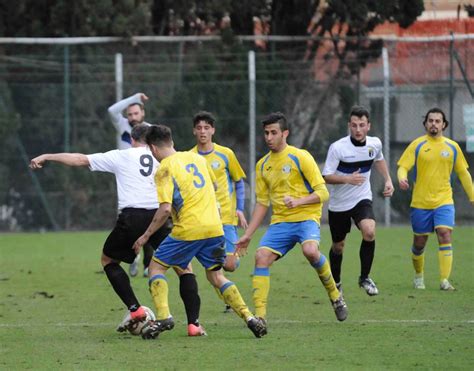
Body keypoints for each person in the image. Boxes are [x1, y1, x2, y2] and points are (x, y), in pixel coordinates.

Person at [29, 124, 205, 336]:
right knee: (184, 267)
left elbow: (80, 159)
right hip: (161, 217)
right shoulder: (164, 156)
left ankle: (136, 309)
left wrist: (48, 156)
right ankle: (193, 324)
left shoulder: (122, 155)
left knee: (108, 261)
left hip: (133, 218)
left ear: (132, 139)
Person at [133, 124, 267, 339]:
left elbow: (165, 208)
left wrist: (146, 235)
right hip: (215, 226)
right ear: (172, 142)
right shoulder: (197, 159)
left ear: (153, 149)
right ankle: (250, 317)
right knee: (216, 276)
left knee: (155, 268)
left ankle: (164, 316)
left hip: (188, 228)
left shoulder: (164, 169)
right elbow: (213, 188)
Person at [235, 112, 348, 325]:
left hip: (306, 218)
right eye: (266, 133)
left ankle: (335, 295)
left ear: (285, 133)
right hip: (281, 223)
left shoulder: (301, 156)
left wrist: (299, 202)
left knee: (311, 251)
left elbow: (323, 193)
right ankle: (260, 317)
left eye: (274, 132)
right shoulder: (262, 165)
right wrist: (248, 235)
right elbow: (262, 204)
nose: (269, 137)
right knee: (260, 257)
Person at [397, 107, 473, 291]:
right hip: (421, 202)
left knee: (444, 234)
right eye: (430, 120)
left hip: (444, 200)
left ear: (444, 125)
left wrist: (472, 196)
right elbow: (402, 167)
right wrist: (402, 178)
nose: (434, 124)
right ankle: (418, 276)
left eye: (438, 121)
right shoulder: (417, 145)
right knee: (419, 243)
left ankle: (444, 280)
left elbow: (463, 173)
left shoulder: (452, 147)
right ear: (425, 124)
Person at [322, 105, 394, 296]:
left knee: (369, 231)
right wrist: (347, 179)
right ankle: (336, 283)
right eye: (354, 125)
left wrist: (388, 179)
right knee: (338, 246)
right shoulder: (338, 148)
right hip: (339, 204)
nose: (358, 129)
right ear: (349, 126)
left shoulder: (375, 143)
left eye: (362, 125)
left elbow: (378, 158)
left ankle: (364, 278)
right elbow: (326, 176)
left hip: (362, 198)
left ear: (368, 126)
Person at [189, 111, 248, 311]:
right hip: (203, 220)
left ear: (213, 130)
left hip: (226, 218)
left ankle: (230, 263)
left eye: (207, 128)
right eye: (199, 128)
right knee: (211, 265)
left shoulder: (226, 154)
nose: (203, 131)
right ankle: (227, 298)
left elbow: (239, 182)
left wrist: (240, 209)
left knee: (229, 264)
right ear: (194, 131)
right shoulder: (189, 157)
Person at [107, 92, 151, 277]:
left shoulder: (151, 130)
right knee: (128, 223)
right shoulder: (122, 125)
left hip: (145, 180)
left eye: (136, 113)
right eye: (130, 114)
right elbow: (112, 110)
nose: (132, 117)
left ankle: (149, 266)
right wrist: (135, 98)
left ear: (143, 114)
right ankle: (133, 258)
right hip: (126, 180)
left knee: (150, 218)